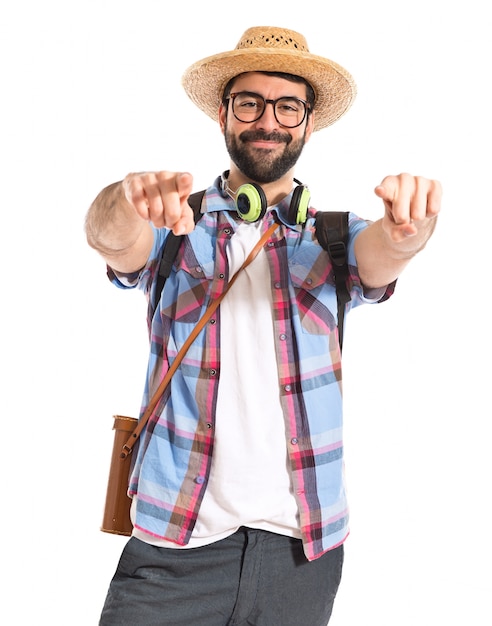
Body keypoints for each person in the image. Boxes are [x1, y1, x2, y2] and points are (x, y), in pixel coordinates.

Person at [85, 26, 441, 626]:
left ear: (307, 122)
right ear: (224, 114)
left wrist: (412, 231)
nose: (267, 120)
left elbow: (386, 253)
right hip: (175, 544)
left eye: (287, 106)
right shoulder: (177, 228)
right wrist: (125, 199)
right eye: (249, 102)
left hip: (302, 552)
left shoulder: (333, 239)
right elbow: (112, 239)